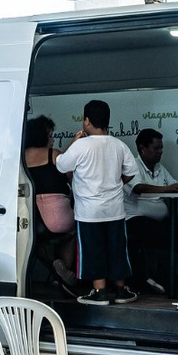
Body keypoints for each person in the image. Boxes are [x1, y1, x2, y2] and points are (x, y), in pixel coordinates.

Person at [55, 99, 140, 306]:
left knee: (93, 249)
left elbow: (61, 165)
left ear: (86, 121)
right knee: (117, 249)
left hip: (88, 211)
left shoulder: (81, 146)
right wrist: (116, 182)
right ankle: (121, 291)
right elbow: (131, 173)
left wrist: (74, 143)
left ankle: (99, 292)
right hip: (115, 210)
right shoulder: (119, 145)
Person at [124, 128, 178, 295]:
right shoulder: (132, 166)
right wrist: (168, 188)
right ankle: (160, 277)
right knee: (169, 236)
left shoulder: (160, 167)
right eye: (156, 148)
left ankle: (169, 277)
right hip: (135, 220)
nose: (160, 152)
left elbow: (173, 184)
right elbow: (138, 187)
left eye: (161, 149)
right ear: (142, 149)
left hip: (157, 220)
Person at [22, 116, 78, 296]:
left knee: (35, 241)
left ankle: (55, 266)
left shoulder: (21, 156)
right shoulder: (53, 154)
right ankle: (62, 275)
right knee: (73, 232)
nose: (53, 139)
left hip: (30, 215)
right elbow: (73, 177)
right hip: (57, 213)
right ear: (43, 136)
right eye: (50, 135)